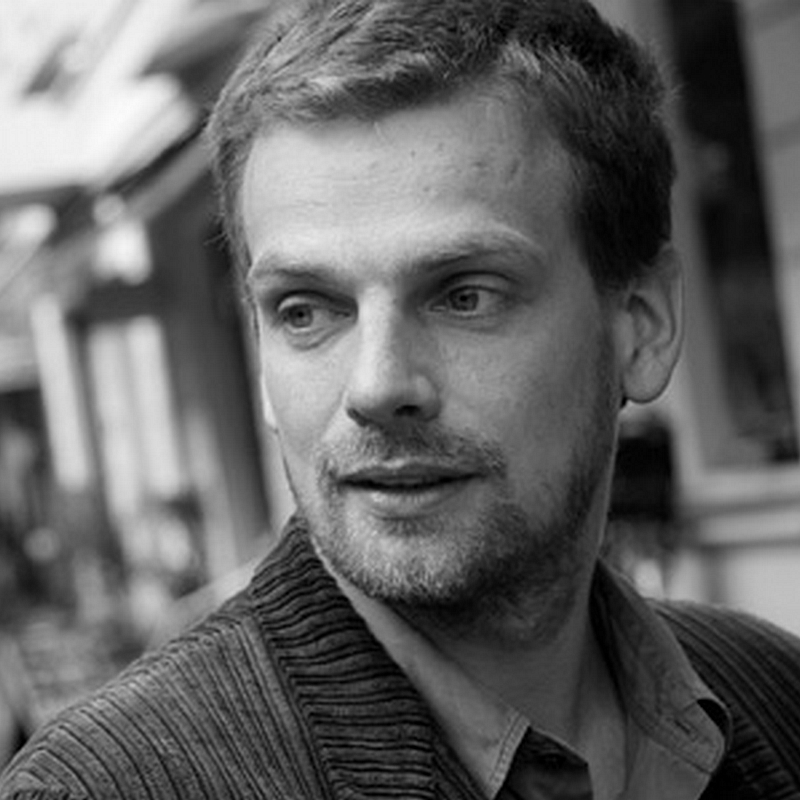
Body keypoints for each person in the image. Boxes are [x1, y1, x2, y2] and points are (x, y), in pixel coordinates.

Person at [3, 0, 800, 797]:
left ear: (643, 325)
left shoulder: (774, 695)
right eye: (306, 311)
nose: (377, 386)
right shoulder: (108, 787)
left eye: (465, 296)